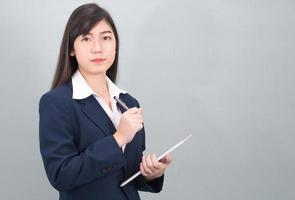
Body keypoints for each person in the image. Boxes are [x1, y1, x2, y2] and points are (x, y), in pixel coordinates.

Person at [38, 3, 172, 200]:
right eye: (86, 38)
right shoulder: (56, 103)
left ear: (115, 46)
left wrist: (151, 174)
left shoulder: (129, 102)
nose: (98, 48)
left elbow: (125, 173)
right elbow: (61, 175)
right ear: (72, 49)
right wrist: (118, 138)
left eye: (106, 38)